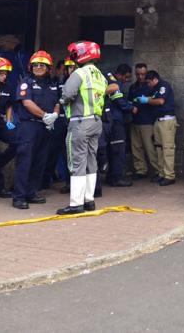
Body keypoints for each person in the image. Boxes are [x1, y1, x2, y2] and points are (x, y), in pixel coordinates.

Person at [57, 41, 108, 215]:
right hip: (96, 122)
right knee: (91, 161)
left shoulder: (79, 73)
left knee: (77, 161)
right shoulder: (100, 75)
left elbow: (67, 94)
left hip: (80, 123)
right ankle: (89, 200)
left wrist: (61, 102)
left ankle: (76, 204)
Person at [12, 51, 60, 210]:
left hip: (46, 127)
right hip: (29, 126)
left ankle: (31, 192)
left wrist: (54, 115)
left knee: (40, 160)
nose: (39, 67)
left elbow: (58, 102)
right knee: (25, 160)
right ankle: (19, 197)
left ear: (49, 68)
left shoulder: (53, 84)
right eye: (36, 65)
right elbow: (27, 103)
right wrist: (44, 115)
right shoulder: (26, 83)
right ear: (30, 67)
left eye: (42, 65)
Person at [43, 58, 77, 191]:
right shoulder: (55, 83)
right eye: (65, 68)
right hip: (57, 120)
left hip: (71, 121)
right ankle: (45, 181)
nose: (68, 71)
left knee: (69, 154)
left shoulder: (77, 82)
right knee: (51, 151)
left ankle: (70, 184)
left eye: (70, 68)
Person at [142, 70, 177, 186]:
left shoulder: (163, 86)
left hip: (167, 120)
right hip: (158, 120)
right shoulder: (154, 88)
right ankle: (162, 173)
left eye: (149, 82)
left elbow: (161, 101)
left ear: (154, 79)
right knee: (159, 148)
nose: (148, 85)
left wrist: (147, 100)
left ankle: (169, 175)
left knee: (167, 149)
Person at [0, 57, 17, 198]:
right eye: (2, 73)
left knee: (16, 141)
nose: (4, 76)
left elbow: (9, 105)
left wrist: (8, 120)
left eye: (6, 74)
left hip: (1, 119)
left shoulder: (8, 87)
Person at [102, 69, 133, 187]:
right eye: (126, 77)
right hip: (115, 121)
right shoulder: (113, 83)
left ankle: (111, 177)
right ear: (119, 75)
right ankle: (116, 178)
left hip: (108, 120)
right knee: (118, 150)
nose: (127, 81)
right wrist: (131, 108)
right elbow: (119, 100)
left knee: (111, 150)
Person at [129, 63, 159, 180]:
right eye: (138, 74)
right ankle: (140, 170)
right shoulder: (133, 87)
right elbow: (130, 101)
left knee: (150, 148)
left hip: (147, 121)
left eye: (143, 74)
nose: (140, 77)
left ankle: (157, 170)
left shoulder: (151, 86)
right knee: (136, 148)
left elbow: (157, 101)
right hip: (135, 120)